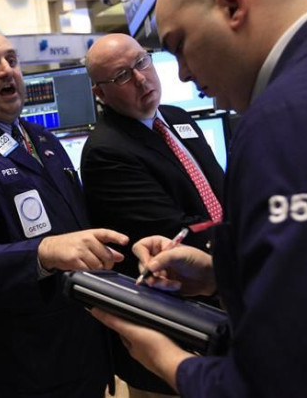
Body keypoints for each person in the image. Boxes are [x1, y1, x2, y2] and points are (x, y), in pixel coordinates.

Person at [91, 0, 307, 397]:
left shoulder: (289, 119)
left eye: (178, 45)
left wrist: (167, 359)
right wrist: (226, 272)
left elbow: (293, 378)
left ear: (232, 6)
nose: (183, 74)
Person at [0, 31, 129, 398]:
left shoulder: (42, 139)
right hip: (19, 369)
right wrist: (42, 252)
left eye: (12, 60)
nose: (6, 70)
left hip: (78, 352)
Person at [81, 33, 224, 398]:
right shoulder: (105, 151)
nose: (142, 79)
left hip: (220, 305)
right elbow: (172, 232)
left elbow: (221, 194)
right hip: (170, 326)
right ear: (100, 93)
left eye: (142, 62)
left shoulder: (177, 118)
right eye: (122, 76)